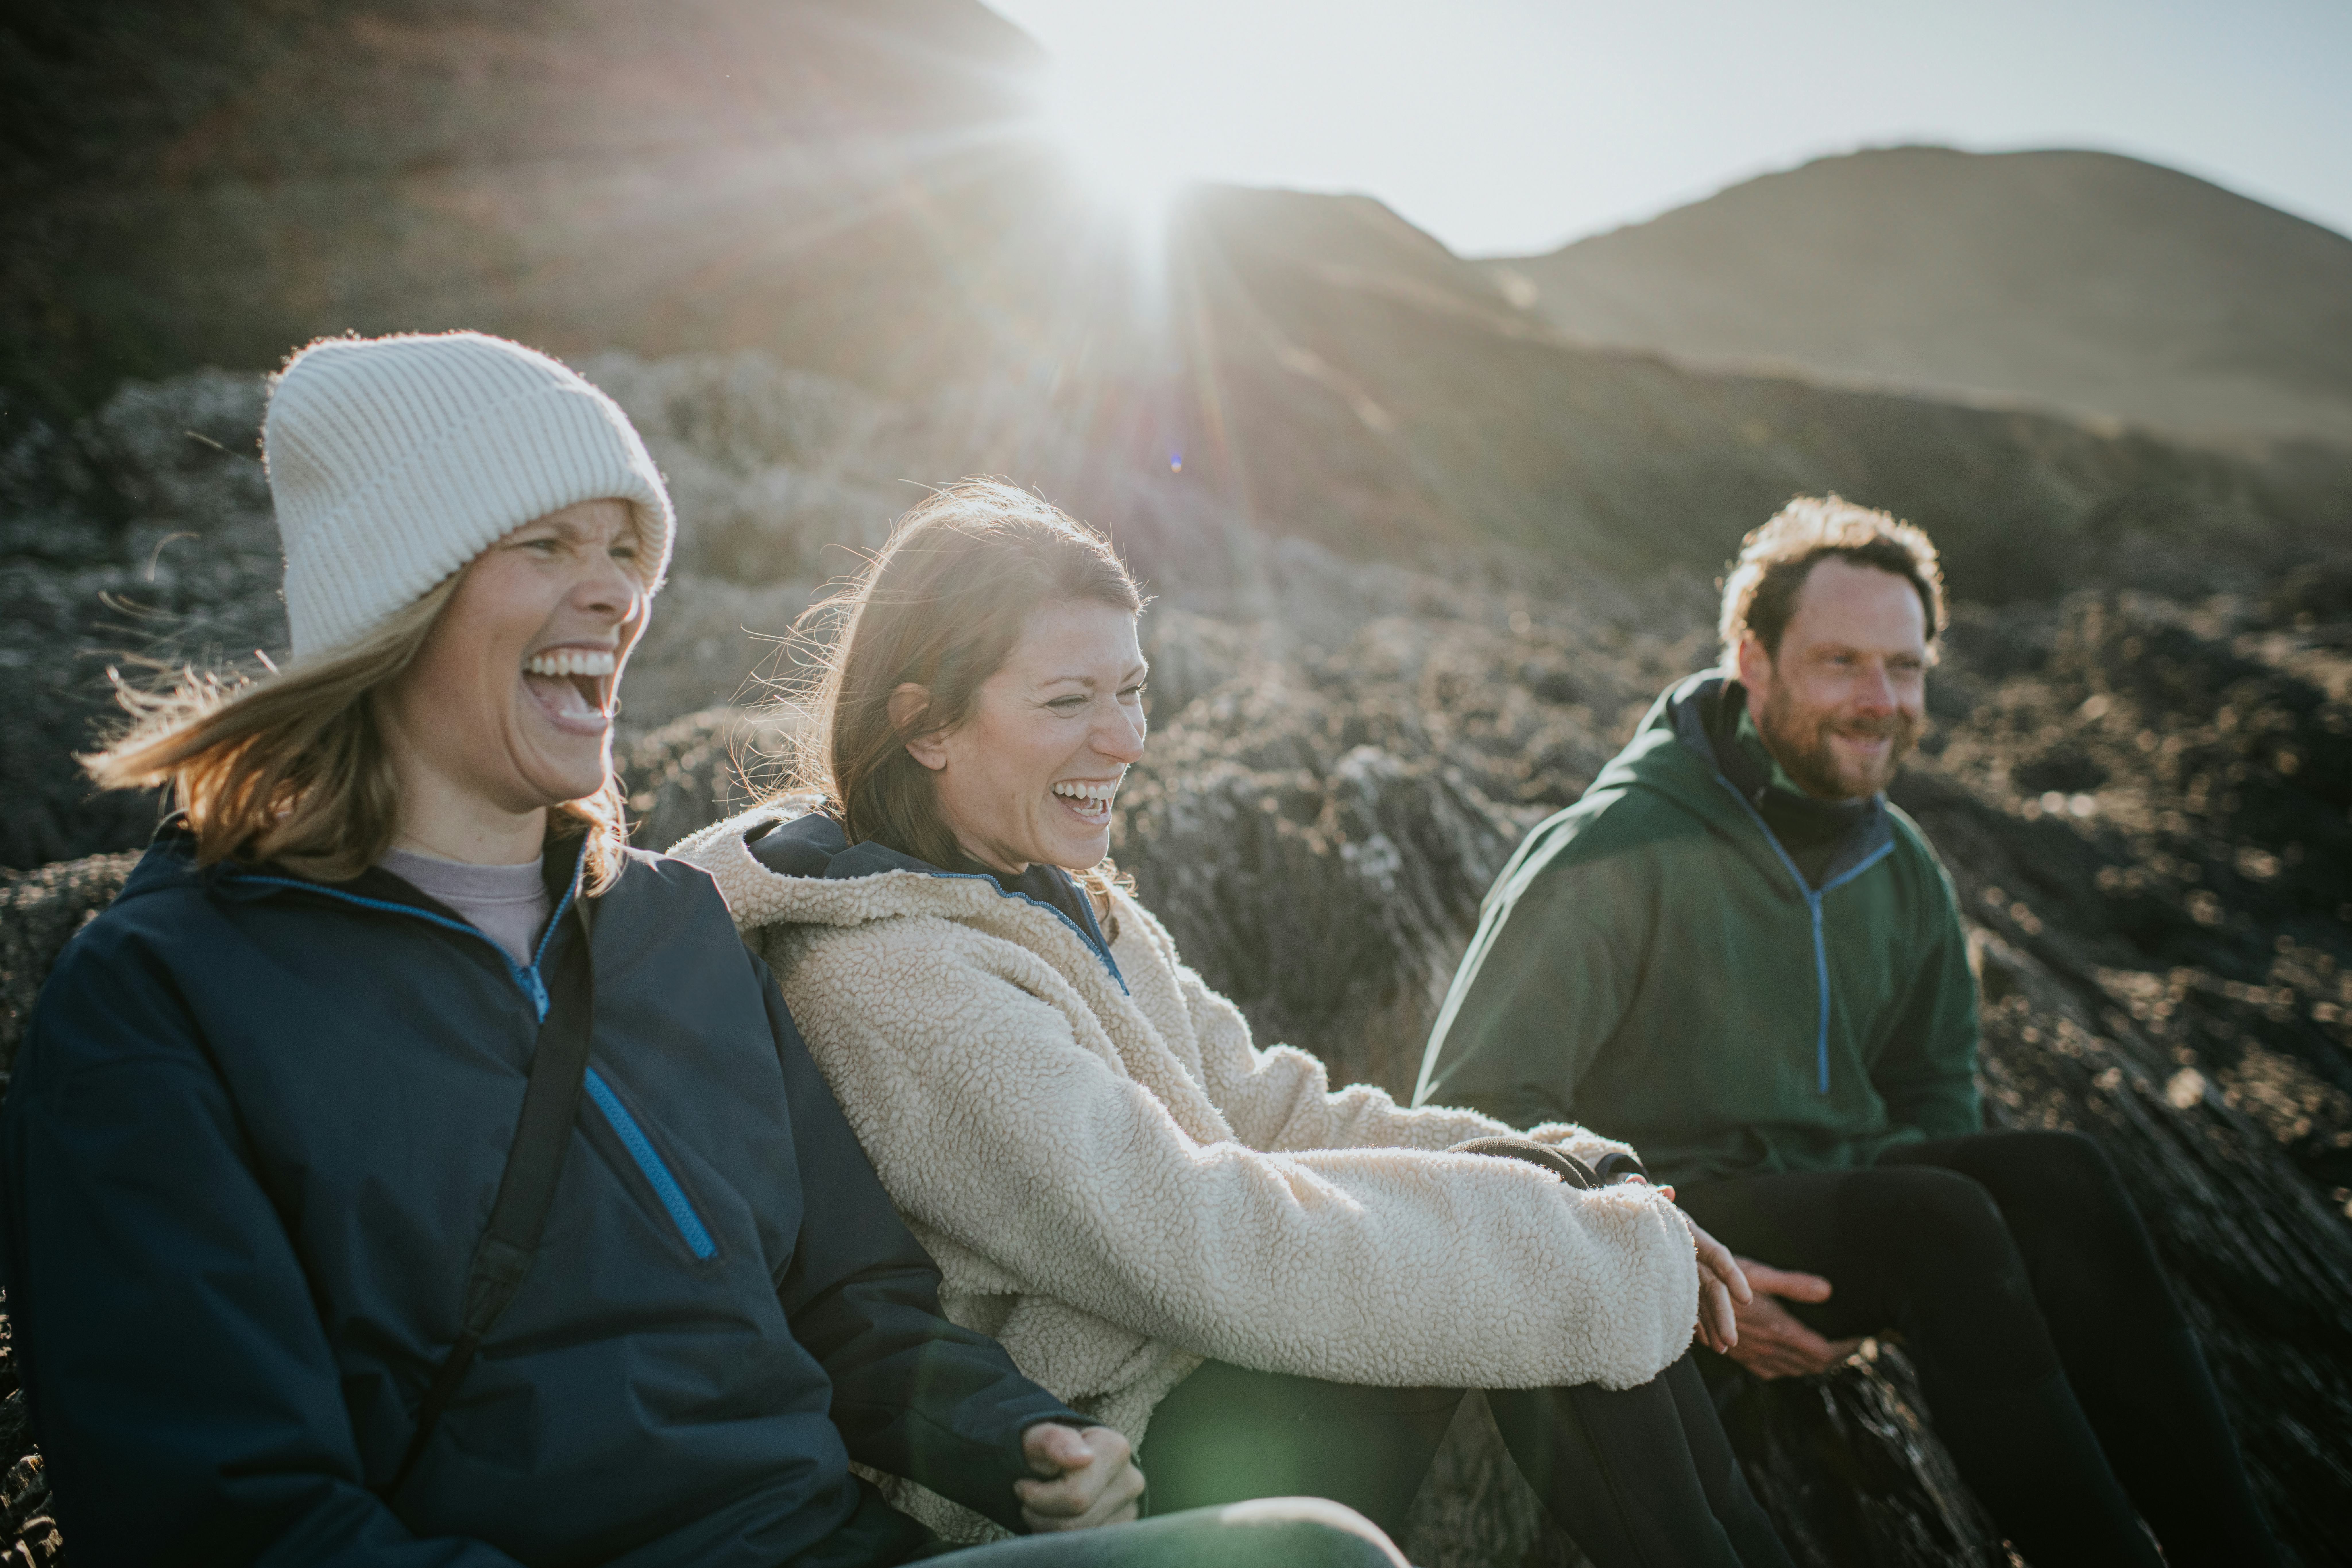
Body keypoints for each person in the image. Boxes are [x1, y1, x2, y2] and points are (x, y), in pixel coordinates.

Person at [0, 332, 1408, 1568]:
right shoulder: (162, 1000)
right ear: (395, 597)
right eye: (545, 547)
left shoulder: (670, 923)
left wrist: (1009, 1440)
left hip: (842, 1548)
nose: (614, 594)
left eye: (626, 551)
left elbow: (850, 1303)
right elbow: (233, 1522)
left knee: (1305, 1551)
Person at [672, 482, 1795, 1568]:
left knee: (1569, 1263)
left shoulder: (1047, 893)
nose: (1124, 740)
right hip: (1076, 1473)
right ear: (924, 725)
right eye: (1067, 701)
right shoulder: (894, 979)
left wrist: (1563, 1171)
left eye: (1132, 689)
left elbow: (1275, 1109)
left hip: (1181, 1370)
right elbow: (1202, 1238)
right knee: (1552, 1288)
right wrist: (1579, 1249)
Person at [1413, 495, 2283, 1568]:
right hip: (1653, 1242)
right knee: (1936, 1218)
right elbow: (1471, 1117)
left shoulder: (1901, 863)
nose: (1881, 702)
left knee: (2061, 1176)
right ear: (1753, 662)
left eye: (1905, 669)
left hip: (1830, 1230)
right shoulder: (1611, 850)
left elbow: (1936, 1102)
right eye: (1841, 664)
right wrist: (1679, 1275)